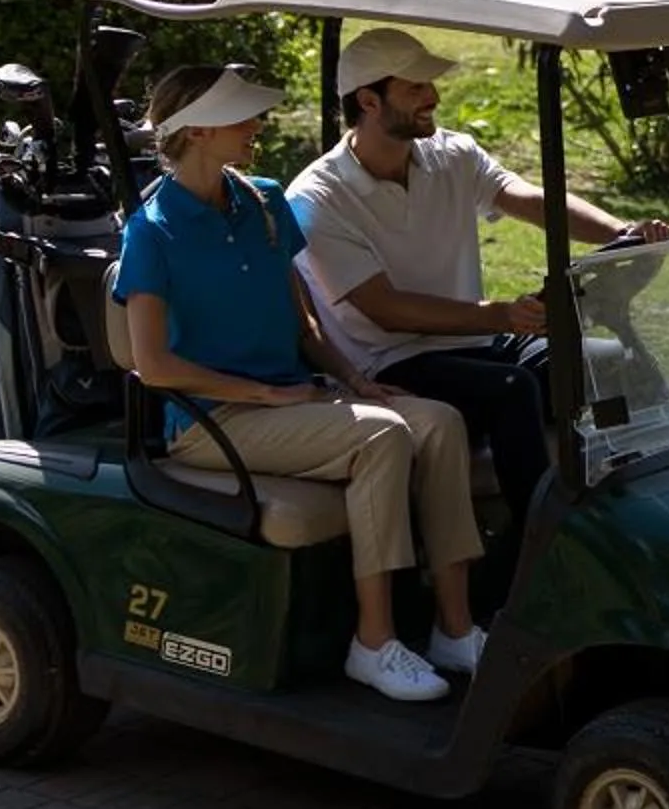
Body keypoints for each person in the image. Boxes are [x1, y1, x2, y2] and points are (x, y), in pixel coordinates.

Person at [115, 62, 486, 705]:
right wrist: (266, 395)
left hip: (292, 397)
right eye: (242, 116)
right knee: (382, 439)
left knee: (440, 422)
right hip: (212, 421)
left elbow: (303, 318)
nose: (257, 126)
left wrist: (353, 378)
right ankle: (374, 643)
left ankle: (454, 628)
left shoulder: (262, 201)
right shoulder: (153, 232)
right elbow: (155, 366)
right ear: (198, 131)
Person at [286, 27, 669, 528]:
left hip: (473, 343)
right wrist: (499, 315)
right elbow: (383, 307)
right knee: (511, 389)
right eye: (416, 88)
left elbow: (528, 199)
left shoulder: (451, 154)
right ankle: (539, 544)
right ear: (368, 100)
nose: (433, 97)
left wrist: (622, 232)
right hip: (390, 363)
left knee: (604, 360)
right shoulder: (318, 197)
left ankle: (633, 507)